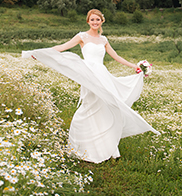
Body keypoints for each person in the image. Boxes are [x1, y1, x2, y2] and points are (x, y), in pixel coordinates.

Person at [22, 9, 159, 163]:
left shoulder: (104, 40)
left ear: (102, 21)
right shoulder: (82, 36)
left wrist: (134, 66)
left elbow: (116, 57)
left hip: (102, 75)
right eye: (92, 20)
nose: (95, 22)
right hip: (88, 75)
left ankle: (107, 147)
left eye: (97, 20)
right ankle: (83, 145)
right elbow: (62, 47)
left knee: (106, 107)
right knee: (88, 107)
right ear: (88, 21)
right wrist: (40, 53)